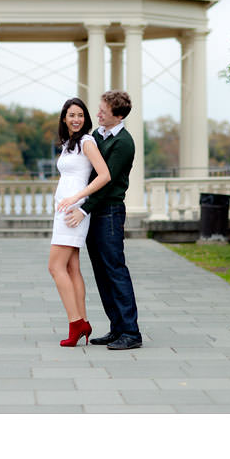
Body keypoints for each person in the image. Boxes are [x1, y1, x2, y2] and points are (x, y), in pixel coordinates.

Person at [64, 90, 142, 350]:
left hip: (109, 212)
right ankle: (116, 328)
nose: (96, 113)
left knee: (115, 271)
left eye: (102, 111)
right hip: (94, 211)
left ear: (117, 115)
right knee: (101, 272)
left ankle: (131, 332)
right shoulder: (97, 136)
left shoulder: (124, 143)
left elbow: (106, 184)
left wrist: (83, 209)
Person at [50, 97, 111, 347]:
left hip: (73, 212)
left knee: (55, 267)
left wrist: (77, 198)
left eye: (80, 115)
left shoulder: (87, 142)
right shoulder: (68, 144)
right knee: (72, 268)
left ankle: (76, 323)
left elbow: (104, 175)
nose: (76, 119)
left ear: (84, 119)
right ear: (64, 118)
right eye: (71, 115)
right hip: (63, 210)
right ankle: (82, 320)